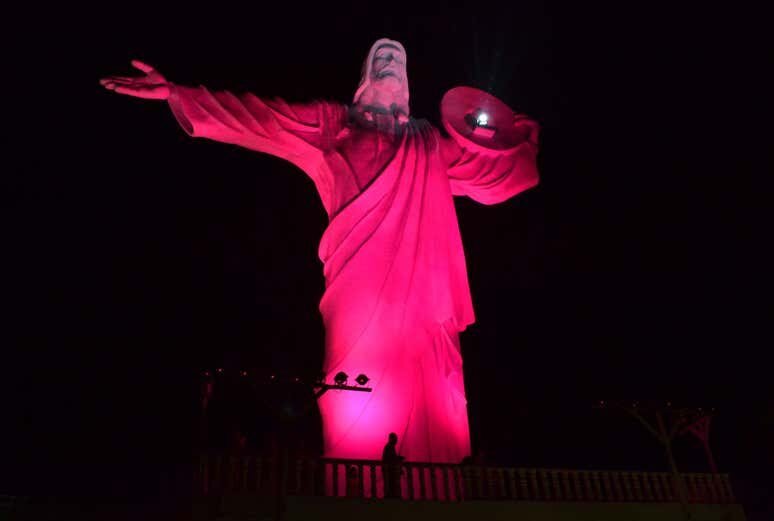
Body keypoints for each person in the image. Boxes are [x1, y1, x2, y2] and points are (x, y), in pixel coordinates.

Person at [100, 38, 539, 464]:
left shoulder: (427, 142)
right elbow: (263, 117)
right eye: (381, 55)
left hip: (422, 297)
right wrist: (179, 93)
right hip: (358, 284)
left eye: (398, 60)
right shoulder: (335, 124)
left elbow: (494, 176)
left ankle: (441, 486)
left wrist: (515, 139)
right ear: (365, 74)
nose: (390, 62)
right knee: (352, 394)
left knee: (432, 395)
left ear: (408, 83)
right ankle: (355, 488)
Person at [381, 432, 404, 498]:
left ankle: (391, 495)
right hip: (389, 470)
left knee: (390, 485)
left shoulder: (390, 446)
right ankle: (390, 495)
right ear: (391, 439)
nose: (396, 441)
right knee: (390, 484)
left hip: (390, 470)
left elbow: (392, 457)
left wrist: (398, 458)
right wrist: (398, 458)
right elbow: (391, 458)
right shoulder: (389, 447)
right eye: (395, 439)